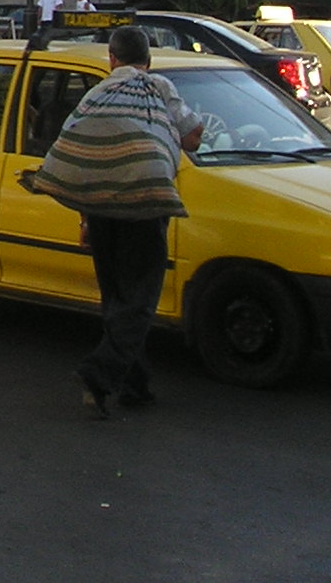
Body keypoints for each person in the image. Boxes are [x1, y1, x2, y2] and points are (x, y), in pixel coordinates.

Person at [21, 25, 204, 419]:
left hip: (101, 211)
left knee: (117, 299)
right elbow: (193, 139)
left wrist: (86, 218)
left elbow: (82, 154)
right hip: (146, 205)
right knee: (140, 301)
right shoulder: (157, 86)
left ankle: (134, 386)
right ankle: (98, 373)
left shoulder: (95, 95)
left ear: (112, 60)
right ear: (148, 61)